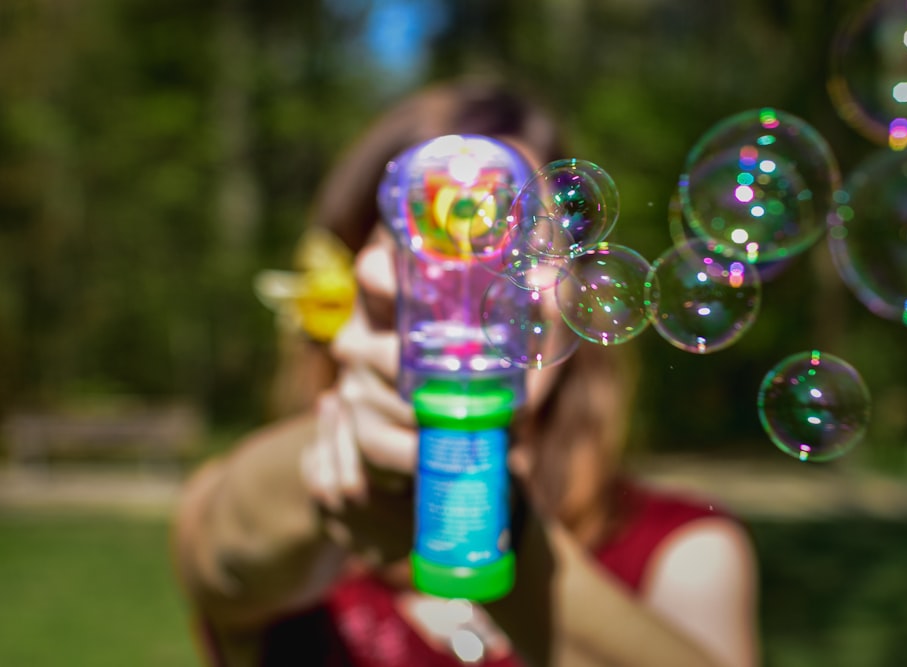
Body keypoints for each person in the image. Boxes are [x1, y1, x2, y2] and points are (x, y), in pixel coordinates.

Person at [171, 78, 760, 667]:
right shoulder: (286, 536)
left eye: (524, 239)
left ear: (579, 289)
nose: (481, 283)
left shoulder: (688, 556)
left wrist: (505, 526)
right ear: (364, 282)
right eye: (440, 244)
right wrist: (355, 451)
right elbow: (223, 547)